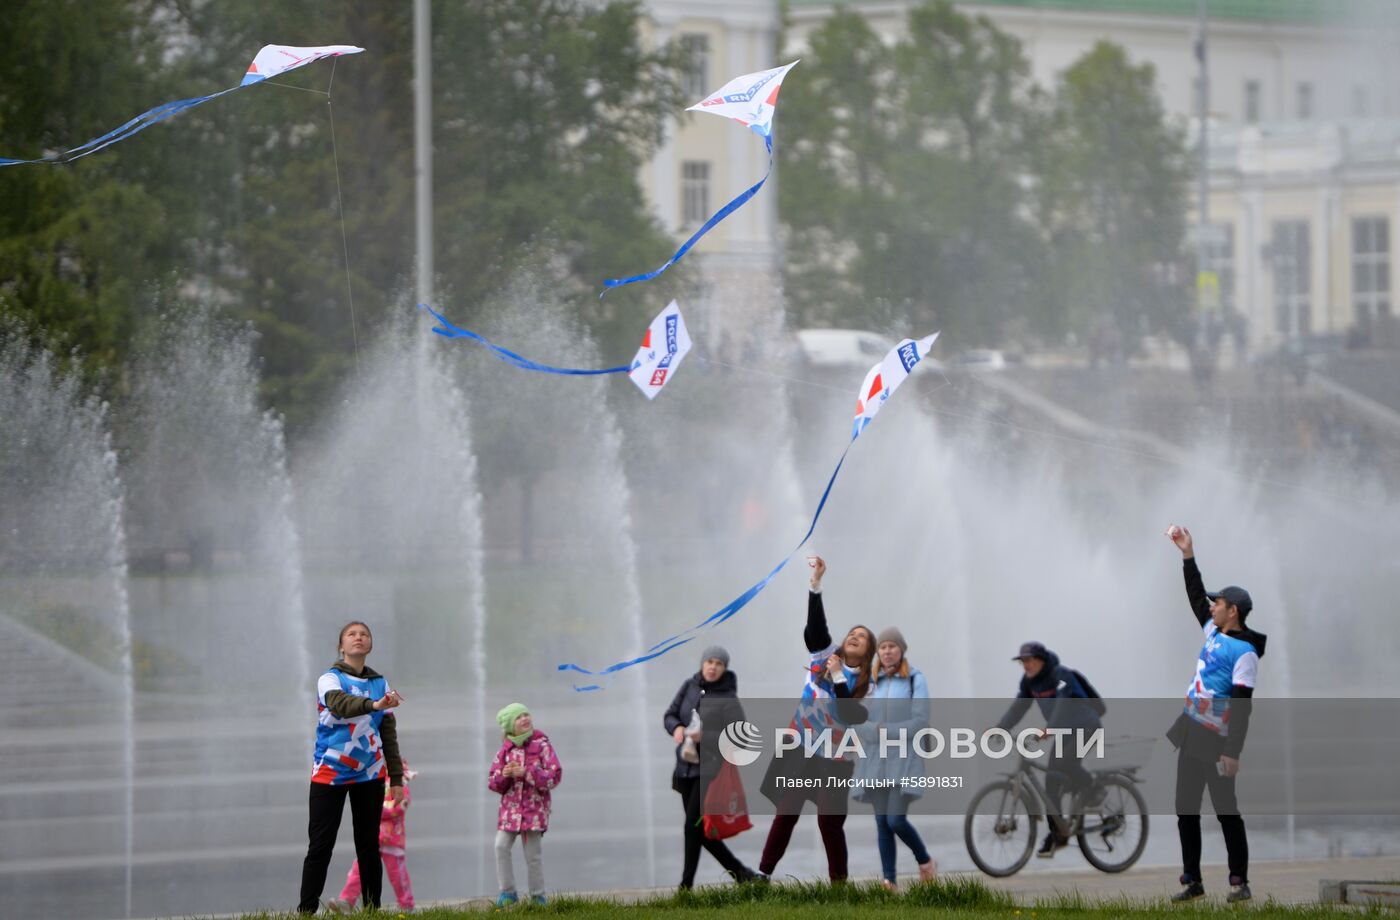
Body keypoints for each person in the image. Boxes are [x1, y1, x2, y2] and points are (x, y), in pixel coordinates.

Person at [758, 556, 875, 883]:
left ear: (867, 651)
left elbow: (850, 713)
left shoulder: (868, 684)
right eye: (852, 632)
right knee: (787, 810)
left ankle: (839, 886)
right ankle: (762, 875)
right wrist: (815, 586)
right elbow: (816, 629)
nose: (854, 636)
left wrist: (838, 678)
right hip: (801, 747)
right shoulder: (824, 656)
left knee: (829, 820)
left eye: (861, 637)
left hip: (836, 758)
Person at [1166, 525, 1266, 904]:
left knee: (1226, 811)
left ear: (1233, 611)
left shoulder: (1244, 653)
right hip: (1191, 733)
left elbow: (1242, 705)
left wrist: (1233, 752)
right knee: (1185, 808)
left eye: (1218, 603)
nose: (1211, 606)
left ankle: (1238, 881)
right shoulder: (1213, 631)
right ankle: (1192, 879)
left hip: (1217, 741)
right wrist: (1187, 555)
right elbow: (1195, 595)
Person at [298, 621, 404, 914]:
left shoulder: (380, 683)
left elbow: (388, 735)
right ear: (341, 646)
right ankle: (306, 910)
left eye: (364, 634)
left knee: (368, 846)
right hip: (329, 774)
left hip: (370, 774)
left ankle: (372, 909)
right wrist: (374, 705)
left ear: (370, 645)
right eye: (352, 634)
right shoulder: (329, 679)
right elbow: (340, 705)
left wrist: (395, 777)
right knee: (320, 846)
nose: (359, 638)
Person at [992, 641, 1103, 858]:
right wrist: (1000, 729)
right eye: (1023, 661)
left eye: (1030, 660)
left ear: (1041, 660)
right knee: (1051, 782)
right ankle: (1057, 833)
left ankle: (1093, 788)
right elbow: (1018, 707)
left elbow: (1062, 705)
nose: (1026, 665)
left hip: (1087, 728)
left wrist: (1048, 730)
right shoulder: (1029, 682)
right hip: (1064, 732)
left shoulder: (1060, 675)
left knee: (1065, 764)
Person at [662, 646, 761, 890]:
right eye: (709, 662)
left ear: (725, 668)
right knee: (701, 832)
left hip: (710, 771)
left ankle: (685, 887)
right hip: (685, 768)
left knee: (690, 827)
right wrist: (676, 728)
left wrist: (705, 736)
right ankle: (742, 874)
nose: (713, 667)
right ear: (702, 664)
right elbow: (670, 714)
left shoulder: (728, 697)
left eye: (719, 663)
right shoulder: (689, 686)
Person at [852, 628, 937, 890]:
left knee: (895, 819)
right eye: (883, 647)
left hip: (904, 759)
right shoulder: (869, 682)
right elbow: (857, 719)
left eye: (892, 646)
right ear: (877, 651)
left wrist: (885, 732)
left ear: (901, 650)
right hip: (875, 761)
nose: (887, 651)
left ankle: (925, 861)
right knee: (881, 823)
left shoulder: (915, 679)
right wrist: (872, 731)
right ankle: (889, 880)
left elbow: (920, 720)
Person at [488, 703, 562, 907]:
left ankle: (538, 897)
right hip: (510, 814)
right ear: (510, 725)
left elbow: (554, 777)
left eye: (526, 714)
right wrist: (504, 776)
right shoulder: (504, 750)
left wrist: (527, 773)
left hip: (534, 812)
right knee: (500, 846)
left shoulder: (542, 745)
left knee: (533, 856)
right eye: (518, 717)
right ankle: (508, 892)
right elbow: (492, 782)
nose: (524, 719)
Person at [328, 762, 419, 912]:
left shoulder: (401, 788)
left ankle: (407, 905)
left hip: (392, 839)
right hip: (373, 838)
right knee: (359, 870)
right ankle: (347, 901)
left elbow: (397, 808)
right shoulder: (378, 784)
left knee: (397, 874)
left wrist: (373, 809)